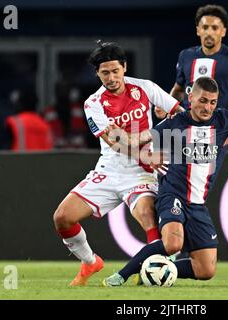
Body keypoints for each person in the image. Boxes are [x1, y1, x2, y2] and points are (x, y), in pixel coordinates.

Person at [102, 76, 228, 286]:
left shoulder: (223, 120)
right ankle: (121, 275)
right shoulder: (174, 123)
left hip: (197, 204)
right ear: (190, 98)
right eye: (203, 101)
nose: (208, 107)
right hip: (172, 195)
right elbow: (139, 139)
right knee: (173, 244)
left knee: (206, 269)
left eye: (212, 102)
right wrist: (119, 137)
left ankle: (156, 271)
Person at [52, 41, 184, 286]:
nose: (111, 77)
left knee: (147, 214)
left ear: (124, 67)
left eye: (115, 71)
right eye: (105, 73)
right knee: (62, 217)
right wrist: (146, 148)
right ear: (97, 74)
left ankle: (153, 270)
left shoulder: (145, 88)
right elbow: (115, 141)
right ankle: (90, 262)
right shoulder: (93, 103)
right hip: (110, 170)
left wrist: (159, 132)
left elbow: (181, 114)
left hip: (142, 173)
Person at [155, 4, 228, 147]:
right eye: (205, 27)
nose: (209, 32)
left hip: (218, 133)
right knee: (180, 169)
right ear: (198, 30)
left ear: (223, 31)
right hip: (185, 130)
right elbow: (178, 90)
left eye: (214, 28)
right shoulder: (185, 56)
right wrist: (166, 105)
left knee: (216, 170)